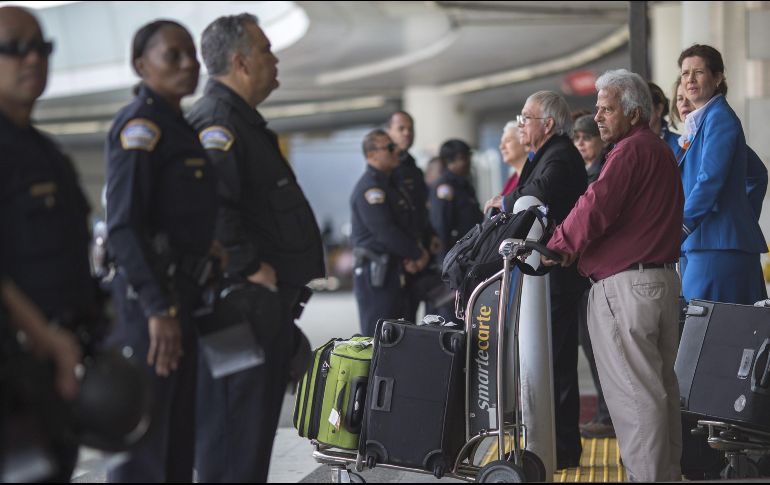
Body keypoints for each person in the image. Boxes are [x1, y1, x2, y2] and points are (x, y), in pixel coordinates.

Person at [186, 14, 325, 482]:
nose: (275, 58)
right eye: (266, 49)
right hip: (237, 311)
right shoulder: (218, 123)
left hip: (260, 311)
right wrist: (250, 268)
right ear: (241, 62)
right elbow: (210, 207)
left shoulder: (240, 121)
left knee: (248, 444)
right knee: (233, 440)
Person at [544, 68, 684, 482]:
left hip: (627, 289)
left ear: (634, 113)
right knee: (660, 392)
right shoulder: (658, 150)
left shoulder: (629, 152)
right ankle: (665, 475)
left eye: (607, 109)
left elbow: (596, 205)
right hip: (660, 282)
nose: (598, 117)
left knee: (634, 397)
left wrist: (558, 246)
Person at [104, 20, 218, 482]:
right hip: (153, 308)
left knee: (177, 441)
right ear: (141, 65)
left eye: (192, 54)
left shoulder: (177, 127)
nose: (189, 63)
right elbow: (123, 226)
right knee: (145, 445)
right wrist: (158, 307)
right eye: (174, 55)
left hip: (183, 298)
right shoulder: (141, 127)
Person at [0, 6, 97, 480]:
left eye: (41, 47)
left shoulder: (46, 152)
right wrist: (44, 337)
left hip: (53, 369)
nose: (32, 58)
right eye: (14, 48)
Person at [488, 91, 588, 469]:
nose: (520, 124)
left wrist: (505, 202)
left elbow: (538, 194)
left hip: (557, 275)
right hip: (547, 275)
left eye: (525, 118)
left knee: (556, 361)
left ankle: (562, 447)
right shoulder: (545, 153)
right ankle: (555, 444)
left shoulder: (559, 155)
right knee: (550, 358)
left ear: (547, 124)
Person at [677, 44, 767, 305]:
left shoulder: (719, 118)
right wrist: (740, 215)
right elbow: (758, 173)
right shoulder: (706, 120)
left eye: (698, 72)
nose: (690, 79)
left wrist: (681, 226)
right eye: (685, 73)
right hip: (710, 243)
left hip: (716, 247)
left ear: (717, 78)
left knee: (706, 327)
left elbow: (710, 179)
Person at [351, 130, 428, 336]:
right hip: (377, 274)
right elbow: (385, 232)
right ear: (372, 155)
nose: (396, 152)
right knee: (379, 336)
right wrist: (416, 254)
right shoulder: (371, 189)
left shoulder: (390, 185)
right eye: (390, 148)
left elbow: (408, 224)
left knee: (401, 337)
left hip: (396, 269)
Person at [567, 113, 615, 440]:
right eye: (577, 139)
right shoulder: (582, 174)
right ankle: (606, 414)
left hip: (598, 273)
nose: (581, 144)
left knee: (600, 346)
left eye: (587, 137)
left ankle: (609, 416)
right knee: (590, 344)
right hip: (586, 272)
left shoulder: (603, 173)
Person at [386, 110, 441, 321]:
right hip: (398, 261)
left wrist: (431, 234)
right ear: (388, 132)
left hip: (419, 258)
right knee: (392, 325)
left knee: (414, 323)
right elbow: (389, 221)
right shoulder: (386, 170)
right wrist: (409, 255)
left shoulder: (413, 168)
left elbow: (419, 210)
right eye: (401, 128)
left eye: (410, 129)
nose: (407, 133)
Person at [430, 139, 483, 260]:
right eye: (463, 158)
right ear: (449, 162)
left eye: (469, 156)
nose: (468, 162)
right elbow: (441, 224)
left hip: (470, 249)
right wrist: (446, 260)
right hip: (456, 253)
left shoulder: (465, 184)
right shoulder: (445, 187)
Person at [482, 122, 528, 213]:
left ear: (524, 141)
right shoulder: (513, 178)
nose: (501, 147)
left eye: (508, 141)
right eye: (501, 142)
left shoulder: (534, 177)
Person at [573, 114, 606, 184]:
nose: (580, 143)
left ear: (603, 140)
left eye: (586, 137)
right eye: (576, 137)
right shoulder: (572, 167)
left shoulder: (606, 170)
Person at [648, 81, 680, 154]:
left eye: (644, 105)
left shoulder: (681, 145)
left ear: (659, 109)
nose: (638, 111)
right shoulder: (627, 144)